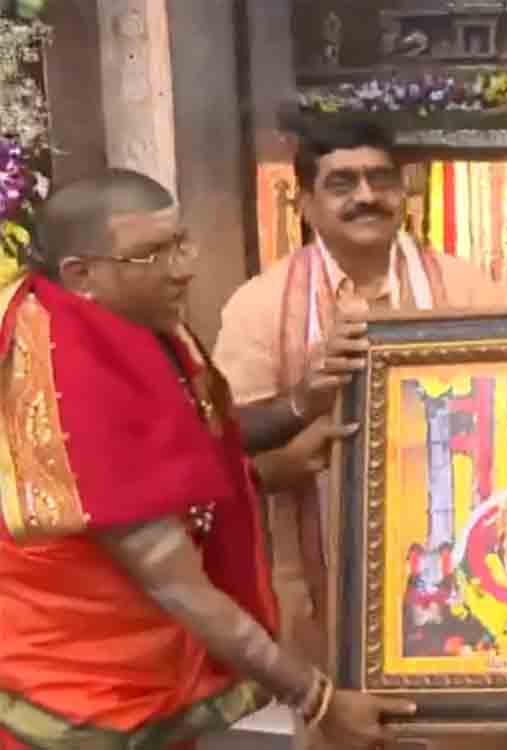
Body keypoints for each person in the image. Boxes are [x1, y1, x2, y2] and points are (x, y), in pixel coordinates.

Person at [0, 169, 416, 749]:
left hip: (140, 680)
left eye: (180, 242)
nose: (183, 267)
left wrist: (302, 402)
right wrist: (319, 700)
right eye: (153, 255)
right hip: (76, 693)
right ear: (82, 274)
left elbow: (186, 442)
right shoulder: (65, 372)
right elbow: (176, 585)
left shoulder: (129, 322)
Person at [213, 116, 507, 750]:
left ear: (407, 190)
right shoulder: (261, 306)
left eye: (380, 179)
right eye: (342, 182)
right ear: (307, 201)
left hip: (465, 589)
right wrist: (299, 457)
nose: (365, 196)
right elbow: (222, 449)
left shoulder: (468, 289)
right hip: (324, 596)